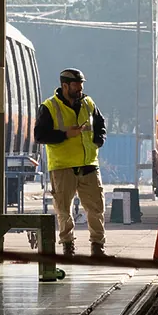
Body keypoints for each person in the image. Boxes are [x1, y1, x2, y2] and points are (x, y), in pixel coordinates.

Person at [34, 67, 107, 257]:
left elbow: (100, 124)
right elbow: (40, 136)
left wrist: (98, 140)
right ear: (65, 86)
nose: (80, 88)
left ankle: (98, 248)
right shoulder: (49, 107)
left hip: (89, 164)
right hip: (62, 166)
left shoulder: (88, 103)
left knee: (96, 208)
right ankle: (68, 247)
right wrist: (65, 134)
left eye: (81, 85)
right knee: (63, 210)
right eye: (76, 85)